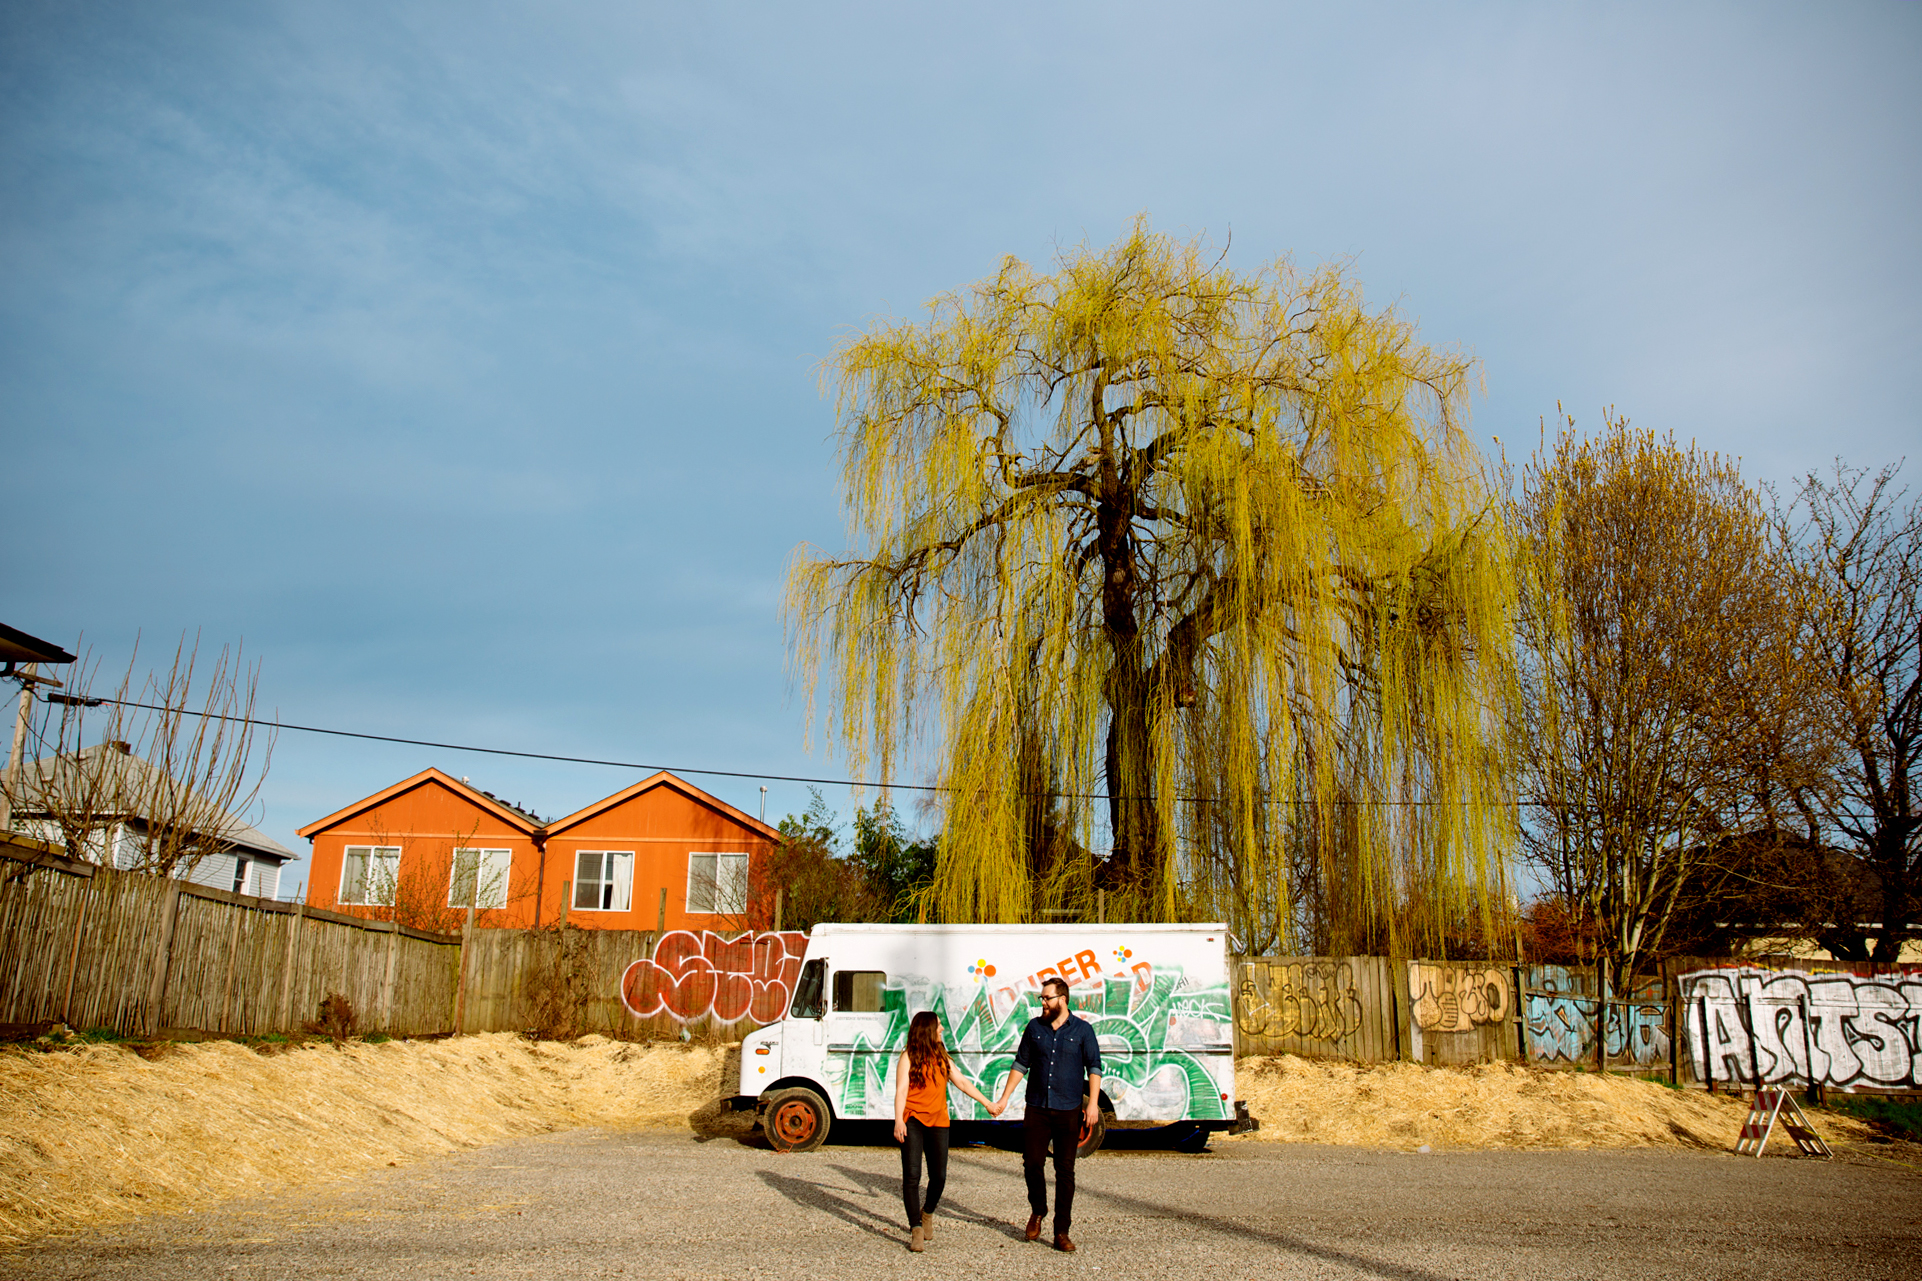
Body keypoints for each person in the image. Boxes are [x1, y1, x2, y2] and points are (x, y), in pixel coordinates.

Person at [992, 975, 1103, 1253]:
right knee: (1031, 1163)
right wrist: (1004, 1097)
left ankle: (1061, 1231)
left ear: (1062, 1000)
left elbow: (1094, 1068)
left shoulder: (1082, 1031)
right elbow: (1021, 1064)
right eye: (1041, 998)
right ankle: (1038, 1210)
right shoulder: (1034, 1028)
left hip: (1068, 1110)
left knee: (1065, 1170)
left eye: (1047, 998)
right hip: (1037, 1108)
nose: (1042, 1002)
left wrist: (1092, 1105)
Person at [893, 1009, 1003, 1252]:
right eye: (939, 1025)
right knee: (912, 1177)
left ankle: (928, 1212)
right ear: (928, 1030)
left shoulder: (942, 1056)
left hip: (939, 1121)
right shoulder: (908, 1056)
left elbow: (962, 1082)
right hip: (912, 1120)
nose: (943, 1028)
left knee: (939, 1177)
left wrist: (988, 1104)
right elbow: (901, 1091)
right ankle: (916, 1229)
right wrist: (898, 1121)